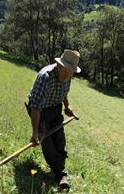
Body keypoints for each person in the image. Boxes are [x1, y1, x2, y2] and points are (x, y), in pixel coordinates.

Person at [27, 49, 81, 189]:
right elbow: (36, 107)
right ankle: (61, 174)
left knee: (59, 139)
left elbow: (63, 93)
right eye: (65, 71)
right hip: (40, 110)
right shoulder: (45, 77)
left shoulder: (67, 76)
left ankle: (60, 167)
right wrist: (35, 132)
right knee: (48, 141)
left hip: (55, 108)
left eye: (71, 73)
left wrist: (67, 107)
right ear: (59, 65)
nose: (67, 75)